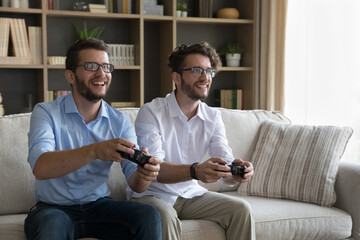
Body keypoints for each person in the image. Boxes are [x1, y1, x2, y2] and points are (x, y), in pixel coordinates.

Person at [25, 38, 162, 240]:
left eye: (106, 67)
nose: (101, 74)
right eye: (91, 66)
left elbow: (135, 184)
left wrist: (144, 174)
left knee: (148, 215)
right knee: (51, 225)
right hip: (53, 209)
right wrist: (95, 150)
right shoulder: (45, 112)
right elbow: (41, 168)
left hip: (99, 206)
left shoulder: (119, 121)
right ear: (70, 75)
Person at [129, 41, 256, 240]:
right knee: (164, 215)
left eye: (209, 71)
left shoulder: (212, 117)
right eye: (197, 70)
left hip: (190, 194)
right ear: (176, 77)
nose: (205, 77)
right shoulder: (151, 112)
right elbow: (156, 171)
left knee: (241, 210)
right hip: (151, 195)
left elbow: (225, 170)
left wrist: (236, 173)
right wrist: (195, 170)